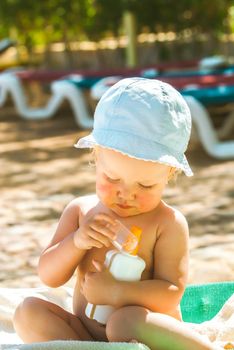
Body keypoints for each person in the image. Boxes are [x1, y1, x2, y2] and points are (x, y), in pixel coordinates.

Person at [13, 77, 212, 348]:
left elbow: (171, 293)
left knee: (122, 323)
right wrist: (77, 242)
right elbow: (49, 275)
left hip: (143, 333)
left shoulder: (167, 223)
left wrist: (118, 292)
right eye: (112, 178)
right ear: (96, 158)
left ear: (170, 175)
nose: (126, 194)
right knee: (27, 313)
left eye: (145, 185)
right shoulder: (82, 212)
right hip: (85, 334)